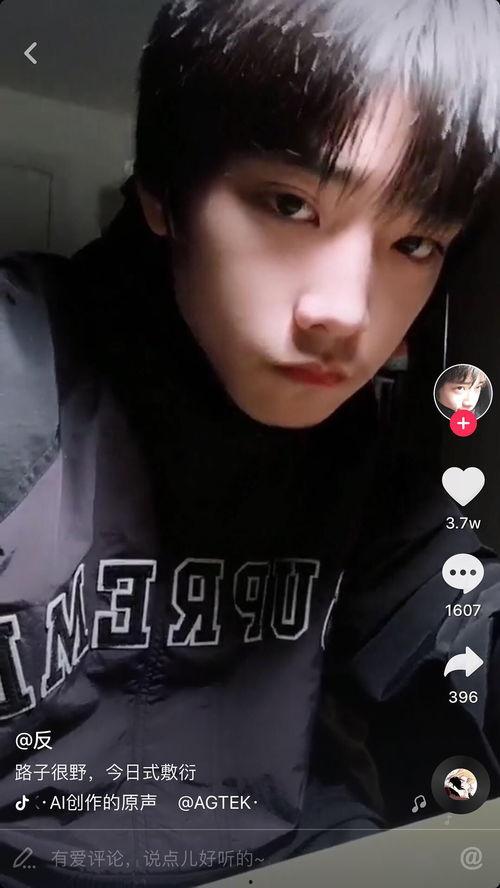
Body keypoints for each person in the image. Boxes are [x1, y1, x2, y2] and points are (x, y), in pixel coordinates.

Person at [1, 1, 500, 885]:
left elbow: (446, 618)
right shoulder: (19, 365)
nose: (346, 312)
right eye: (289, 203)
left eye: (414, 241)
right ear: (164, 190)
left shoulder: (370, 440)